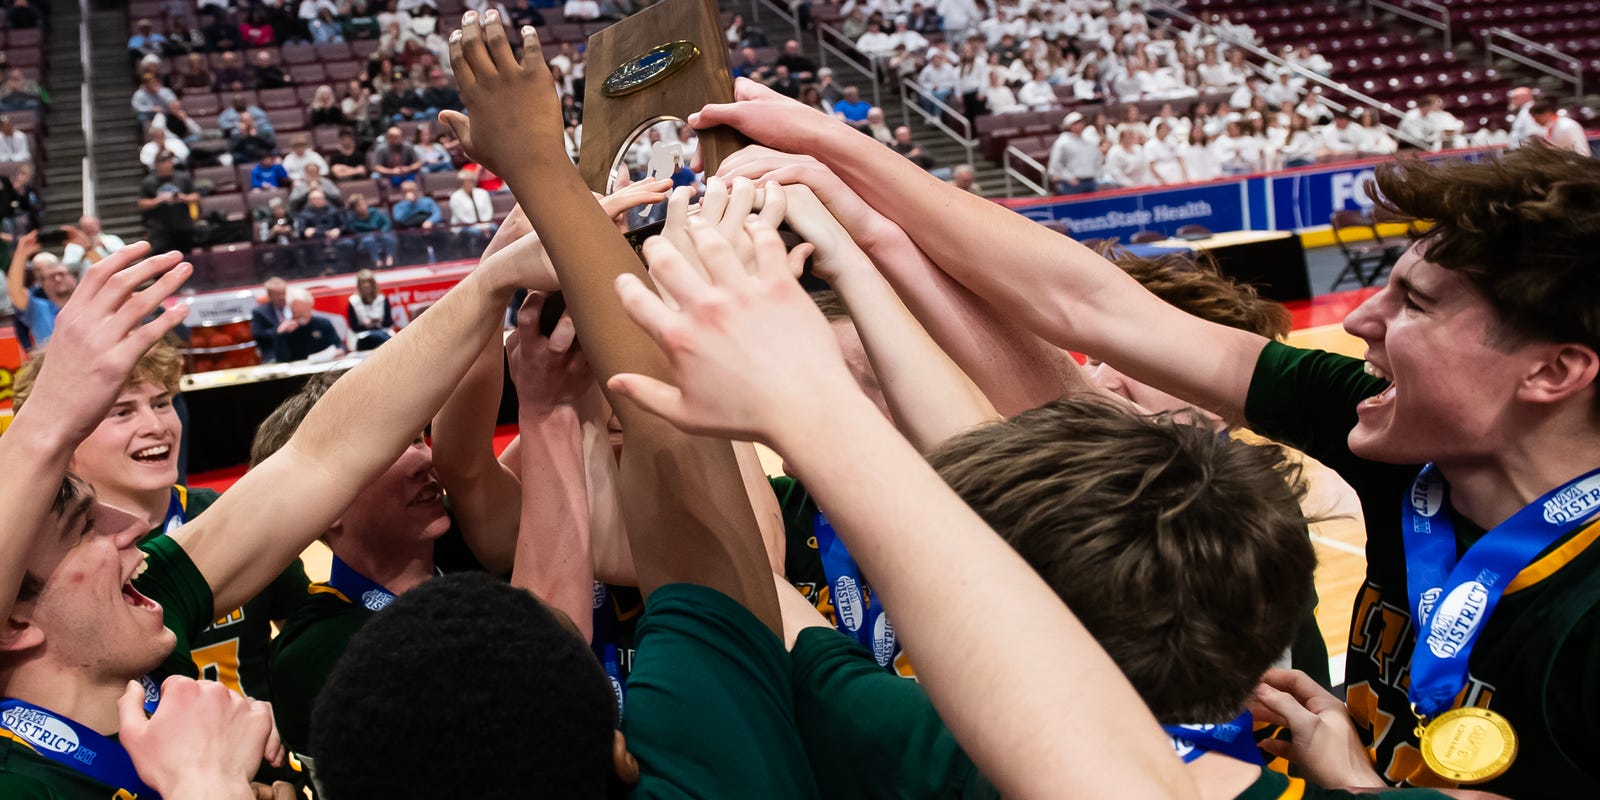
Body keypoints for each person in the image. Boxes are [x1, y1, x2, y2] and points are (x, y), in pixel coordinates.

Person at [694, 78, 1600, 796]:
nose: (1363, 318)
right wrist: (849, 173)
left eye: (1417, 304)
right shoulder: (1377, 421)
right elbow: (1090, 304)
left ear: (1552, 372)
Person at [0, 197, 553, 796]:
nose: (131, 528)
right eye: (85, 529)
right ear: (12, 618)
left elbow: (322, 454)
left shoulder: (142, 615)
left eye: (160, 403)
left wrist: (490, 280)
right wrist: (211, 784)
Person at [11, 337, 312, 719]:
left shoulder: (230, 512)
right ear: (65, 437)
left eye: (162, 402)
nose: (156, 426)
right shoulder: (38, 554)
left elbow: (301, 642)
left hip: (259, 757)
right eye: (121, 412)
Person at [5, 232, 73, 347]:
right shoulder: (39, 308)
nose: (57, 279)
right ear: (41, 283)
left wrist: (89, 249)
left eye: (62, 274)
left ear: (74, 278)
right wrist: (21, 253)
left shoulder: (88, 303)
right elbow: (15, 291)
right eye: (51, 276)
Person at [137, 152, 199, 255]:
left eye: (169, 162)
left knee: (185, 256)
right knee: (159, 257)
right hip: (159, 229)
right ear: (156, 165)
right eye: (163, 162)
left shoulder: (183, 178)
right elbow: (142, 203)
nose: (166, 165)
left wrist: (183, 197)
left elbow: (196, 196)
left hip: (182, 226)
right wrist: (159, 199)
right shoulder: (148, 182)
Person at [294, 190, 353, 273]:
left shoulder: (334, 211)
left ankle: (345, 270)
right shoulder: (304, 214)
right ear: (310, 201)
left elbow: (345, 225)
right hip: (316, 239)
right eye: (315, 199)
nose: (318, 201)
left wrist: (338, 230)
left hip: (335, 238)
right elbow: (301, 230)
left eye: (320, 198)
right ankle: (321, 271)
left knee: (348, 243)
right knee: (313, 246)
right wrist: (307, 231)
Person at [344, 268, 405, 348]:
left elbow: (389, 322)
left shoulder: (382, 299)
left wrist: (378, 323)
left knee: (384, 338)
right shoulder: (353, 301)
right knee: (374, 338)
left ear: (373, 284)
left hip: (382, 331)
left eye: (369, 282)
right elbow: (353, 326)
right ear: (359, 285)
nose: (366, 285)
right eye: (363, 282)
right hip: (362, 335)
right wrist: (368, 325)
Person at [391, 178, 445, 260]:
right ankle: (421, 260)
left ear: (416, 190)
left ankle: (444, 258)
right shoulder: (398, 206)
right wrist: (409, 204)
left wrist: (430, 221)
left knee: (442, 229)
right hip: (412, 230)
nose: (410, 193)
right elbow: (399, 219)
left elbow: (437, 213)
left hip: (429, 226)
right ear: (403, 193)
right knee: (412, 236)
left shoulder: (428, 201)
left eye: (412, 190)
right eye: (406, 191)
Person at [448, 168, 496, 255]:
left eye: (470, 181)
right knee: (475, 232)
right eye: (466, 182)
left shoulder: (482, 193)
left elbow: (488, 210)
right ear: (461, 183)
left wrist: (485, 225)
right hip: (464, 226)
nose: (469, 184)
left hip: (485, 224)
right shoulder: (455, 197)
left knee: (494, 228)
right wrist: (480, 227)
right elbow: (462, 217)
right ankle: (475, 255)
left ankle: (493, 254)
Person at [347, 194, 399, 270]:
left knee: (387, 238)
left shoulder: (376, 212)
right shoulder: (353, 219)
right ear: (354, 209)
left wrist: (382, 231)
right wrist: (371, 231)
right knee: (369, 240)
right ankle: (377, 261)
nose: (362, 207)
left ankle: (389, 258)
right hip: (365, 237)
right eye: (359, 206)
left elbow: (387, 223)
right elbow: (355, 230)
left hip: (381, 233)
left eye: (363, 204)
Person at [61, 215, 128, 270]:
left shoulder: (112, 239)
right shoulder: (73, 245)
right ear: (81, 228)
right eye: (86, 226)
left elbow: (126, 256)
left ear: (98, 224)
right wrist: (83, 254)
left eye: (92, 225)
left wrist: (104, 246)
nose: (90, 228)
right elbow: (67, 267)